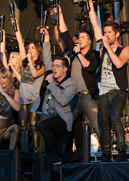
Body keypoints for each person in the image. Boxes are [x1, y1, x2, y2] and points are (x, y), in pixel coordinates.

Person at [85, 0, 129, 162]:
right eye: (105, 33)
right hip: (103, 91)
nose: (106, 35)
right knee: (104, 124)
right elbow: (94, 24)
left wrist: (107, 47)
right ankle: (106, 155)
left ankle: (122, 152)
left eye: (109, 33)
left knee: (115, 117)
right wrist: (89, 4)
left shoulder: (125, 48)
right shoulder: (103, 46)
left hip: (118, 90)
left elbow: (119, 64)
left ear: (117, 34)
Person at [57, 5, 101, 140]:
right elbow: (65, 33)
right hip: (74, 97)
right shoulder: (74, 52)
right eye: (79, 37)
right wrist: (59, 13)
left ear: (89, 40)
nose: (79, 39)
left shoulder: (95, 54)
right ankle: (63, 156)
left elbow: (90, 67)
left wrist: (79, 54)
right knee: (65, 125)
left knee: (98, 126)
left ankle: (109, 154)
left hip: (88, 96)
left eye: (83, 37)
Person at [38, 28, 78, 164]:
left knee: (43, 127)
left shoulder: (71, 84)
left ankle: (57, 156)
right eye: (53, 66)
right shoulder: (52, 78)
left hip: (61, 120)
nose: (53, 68)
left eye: (57, 66)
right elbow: (47, 57)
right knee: (49, 154)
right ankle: (55, 159)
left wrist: (51, 84)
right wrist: (47, 39)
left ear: (65, 69)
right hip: (48, 116)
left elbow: (63, 100)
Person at [11, 17, 45, 152]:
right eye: (28, 48)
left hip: (35, 99)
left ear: (38, 50)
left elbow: (35, 74)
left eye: (32, 48)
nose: (29, 49)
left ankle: (37, 151)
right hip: (23, 99)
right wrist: (16, 27)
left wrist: (30, 60)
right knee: (23, 126)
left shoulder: (41, 65)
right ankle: (24, 151)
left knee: (34, 126)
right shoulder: (25, 63)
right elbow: (20, 42)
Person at [0, 39, 21, 151]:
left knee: (16, 128)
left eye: (4, 78)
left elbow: (17, 107)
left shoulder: (14, 91)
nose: (1, 80)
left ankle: (12, 155)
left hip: (9, 124)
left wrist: (5, 94)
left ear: (8, 79)